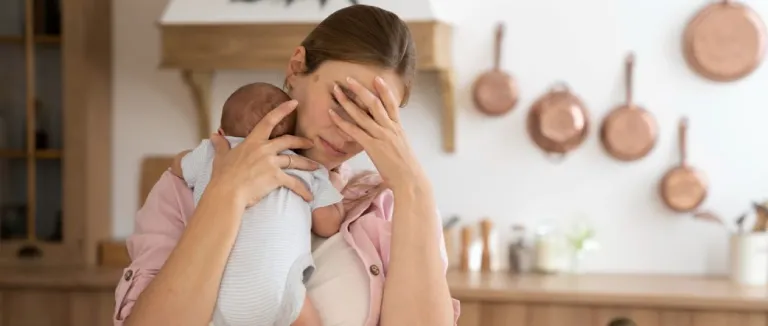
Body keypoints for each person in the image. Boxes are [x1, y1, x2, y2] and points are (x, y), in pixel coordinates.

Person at [113, 4, 460, 326]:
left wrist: (413, 186)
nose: (347, 130)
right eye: (343, 100)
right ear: (296, 68)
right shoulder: (184, 190)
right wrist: (225, 197)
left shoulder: (388, 209)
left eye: (373, 116)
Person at [170, 81, 346, 326]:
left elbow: (177, 166)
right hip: (278, 291)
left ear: (221, 132)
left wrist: (197, 153)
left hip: (214, 292)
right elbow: (328, 225)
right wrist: (334, 182)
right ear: (293, 139)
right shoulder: (305, 169)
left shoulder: (214, 153)